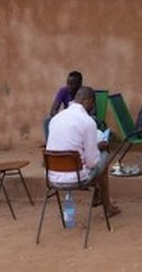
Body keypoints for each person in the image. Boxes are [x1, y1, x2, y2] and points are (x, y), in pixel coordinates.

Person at [46, 86, 120, 217]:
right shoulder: (88, 122)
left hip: (53, 177)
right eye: (93, 103)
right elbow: (92, 163)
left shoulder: (55, 119)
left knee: (91, 156)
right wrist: (98, 148)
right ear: (88, 101)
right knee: (104, 156)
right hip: (77, 178)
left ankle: (98, 196)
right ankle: (106, 206)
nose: (93, 108)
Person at [43, 71, 83, 142]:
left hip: (81, 119)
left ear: (79, 84)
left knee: (93, 119)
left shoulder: (85, 92)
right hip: (66, 117)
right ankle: (49, 144)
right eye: (68, 84)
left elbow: (92, 112)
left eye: (72, 84)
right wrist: (62, 118)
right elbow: (53, 110)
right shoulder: (63, 91)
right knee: (47, 120)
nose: (69, 87)